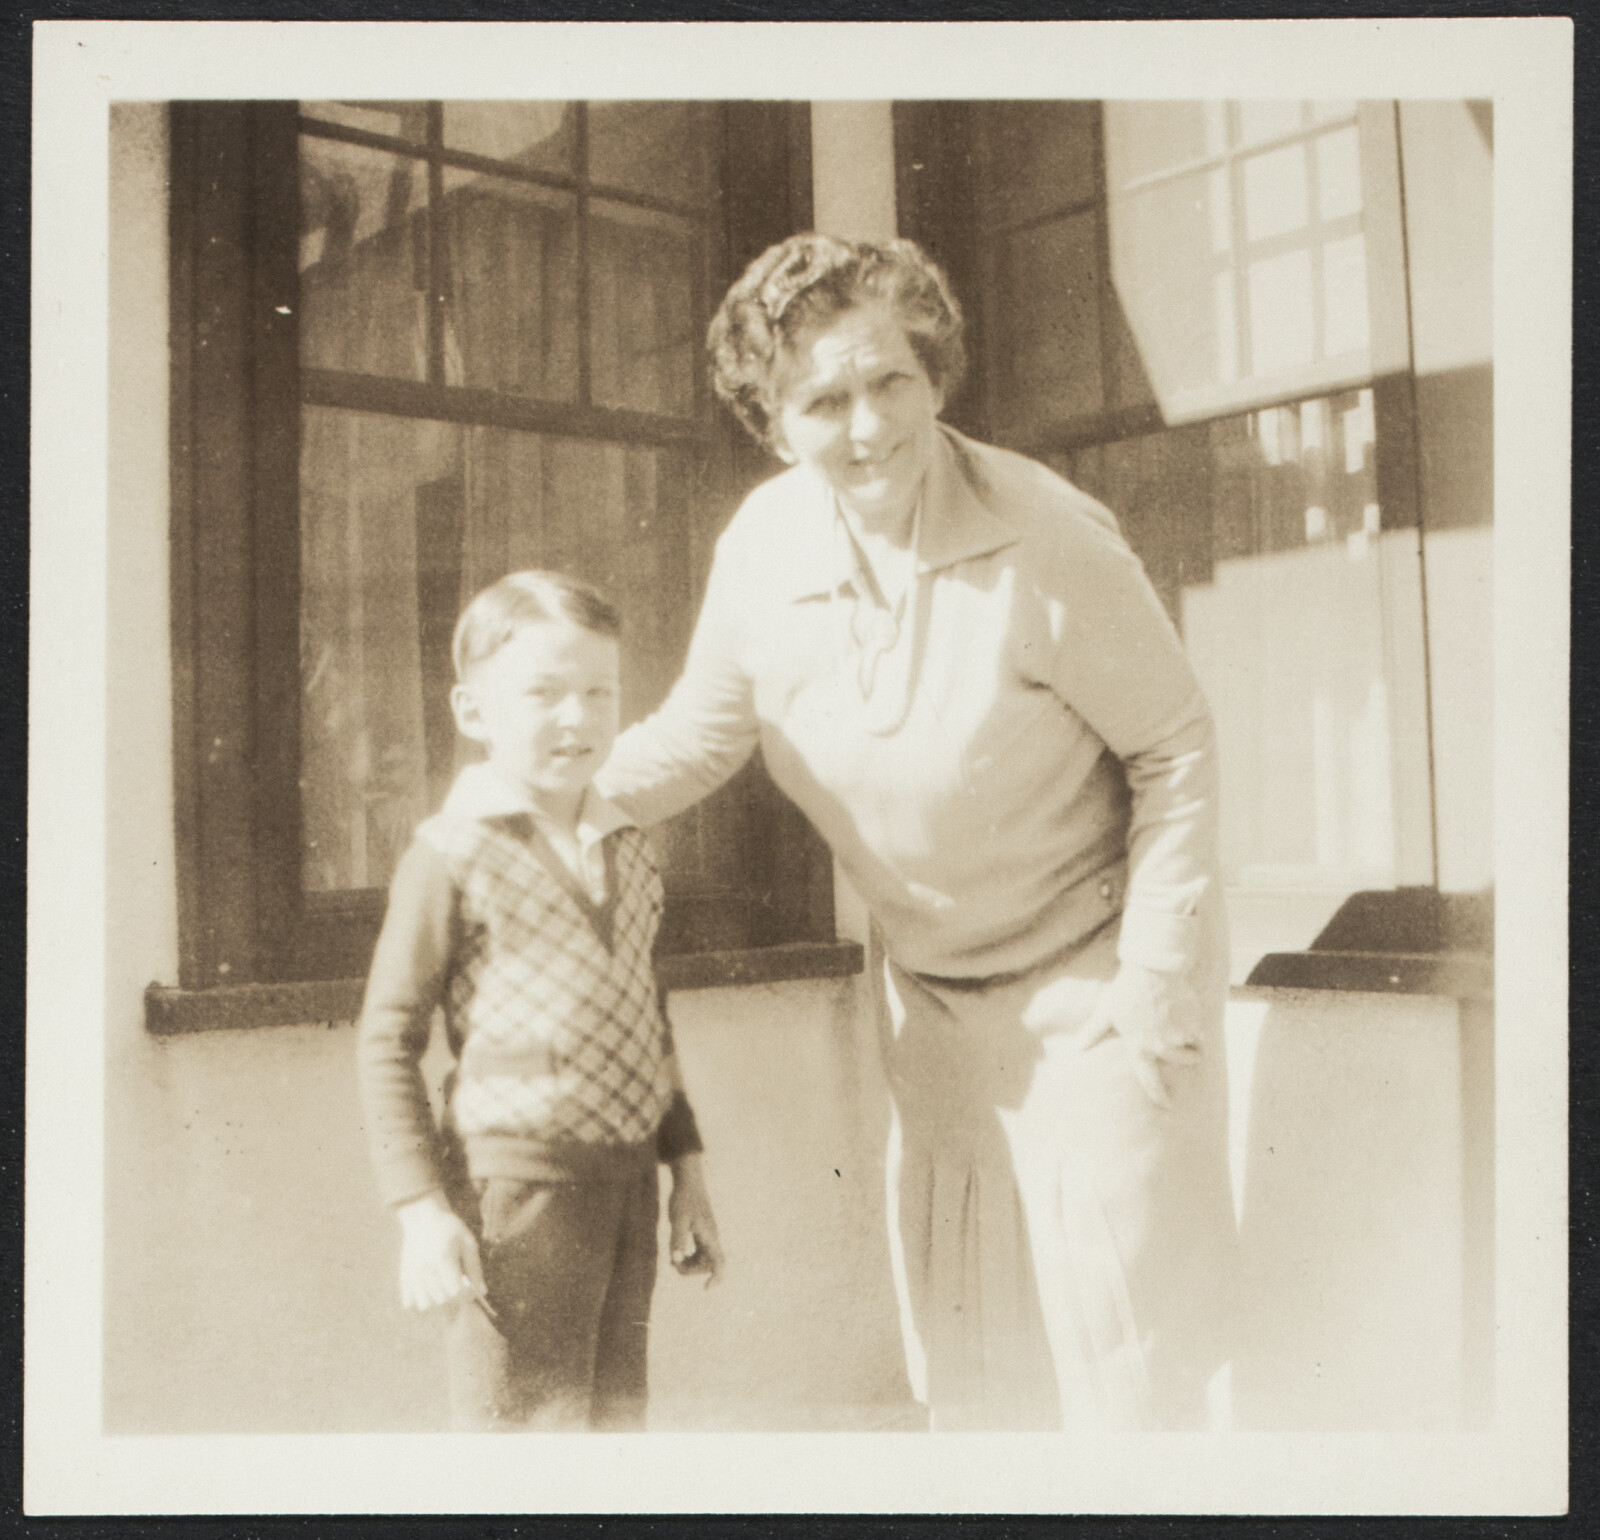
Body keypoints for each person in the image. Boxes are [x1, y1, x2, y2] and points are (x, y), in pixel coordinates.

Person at [595, 233, 1238, 1431]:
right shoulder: (762, 548)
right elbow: (700, 735)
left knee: (1121, 1360)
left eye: (890, 380)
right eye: (821, 400)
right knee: (977, 1362)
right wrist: (552, 796)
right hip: (933, 1003)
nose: (867, 426)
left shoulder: (1045, 534)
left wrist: (1154, 971)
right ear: (771, 420)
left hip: (1098, 983)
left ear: (935, 372)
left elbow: (1175, 743)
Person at [357, 570, 725, 1432]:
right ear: (473, 712)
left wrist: (689, 1176)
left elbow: (646, 1021)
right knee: (524, 1433)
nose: (579, 716)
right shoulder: (452, 853)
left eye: (601, 692)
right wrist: (421, 1212)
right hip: (515, 1192)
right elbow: (385, 1040)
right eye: (544, 693)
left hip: (628, 1182)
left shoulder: (627, 847)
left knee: (611, 1422)